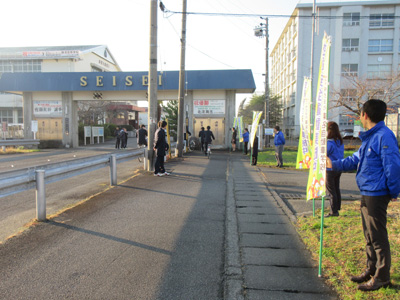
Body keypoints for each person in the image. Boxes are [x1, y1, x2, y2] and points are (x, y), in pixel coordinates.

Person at [327, 99, 400, 292]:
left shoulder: (384, 136)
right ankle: (371, 269)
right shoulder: (370, 137)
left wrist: (393, 191)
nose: (359, 117)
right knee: (369, 234)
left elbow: (392, 166)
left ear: (365, 115)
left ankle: (382, 276)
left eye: (360, 114)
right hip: (367, 192)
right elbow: (355, 160)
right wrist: (333, 164)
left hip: (378, 193)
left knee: (378, 236)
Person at [325, 121, 344, 218]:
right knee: (336, 189)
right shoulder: (340, 142)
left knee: (331, 191)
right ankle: (337, 208)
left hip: (330, 168)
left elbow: (324, 154)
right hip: (338, 167)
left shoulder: (329, 143)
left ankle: (333, 211)